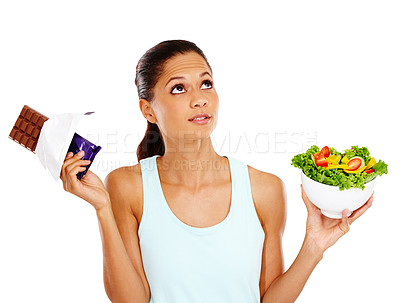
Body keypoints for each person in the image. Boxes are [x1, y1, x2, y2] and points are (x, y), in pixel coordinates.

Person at [60, 40, 374, 303]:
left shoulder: (264, 188)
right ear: (148, 110)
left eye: (206, 83)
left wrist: (313, 246)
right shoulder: (128, 185)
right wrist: (102, 209)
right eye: (179, 88)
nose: (199, 99)